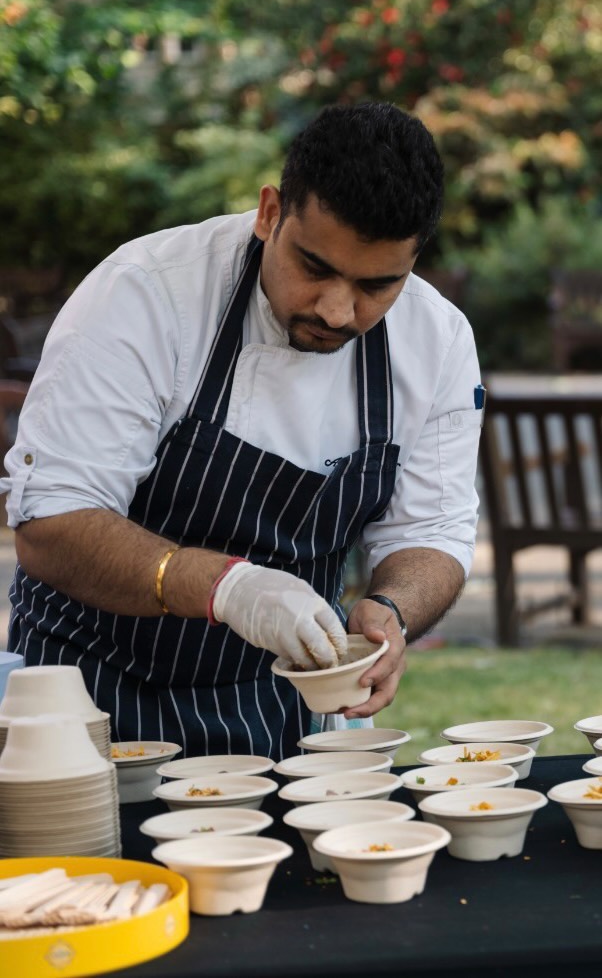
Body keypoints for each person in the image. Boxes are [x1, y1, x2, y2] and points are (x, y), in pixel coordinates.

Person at [1, 102, 482, 759]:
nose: (338, 311)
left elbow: (431, 530)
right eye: (314, 268)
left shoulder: (438, 343)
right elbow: (51, 522)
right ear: (269, 213)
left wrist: (392, 612)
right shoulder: (147, 295)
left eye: (377, 285)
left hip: (276, 710)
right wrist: (231, 587)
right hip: (86, 699)